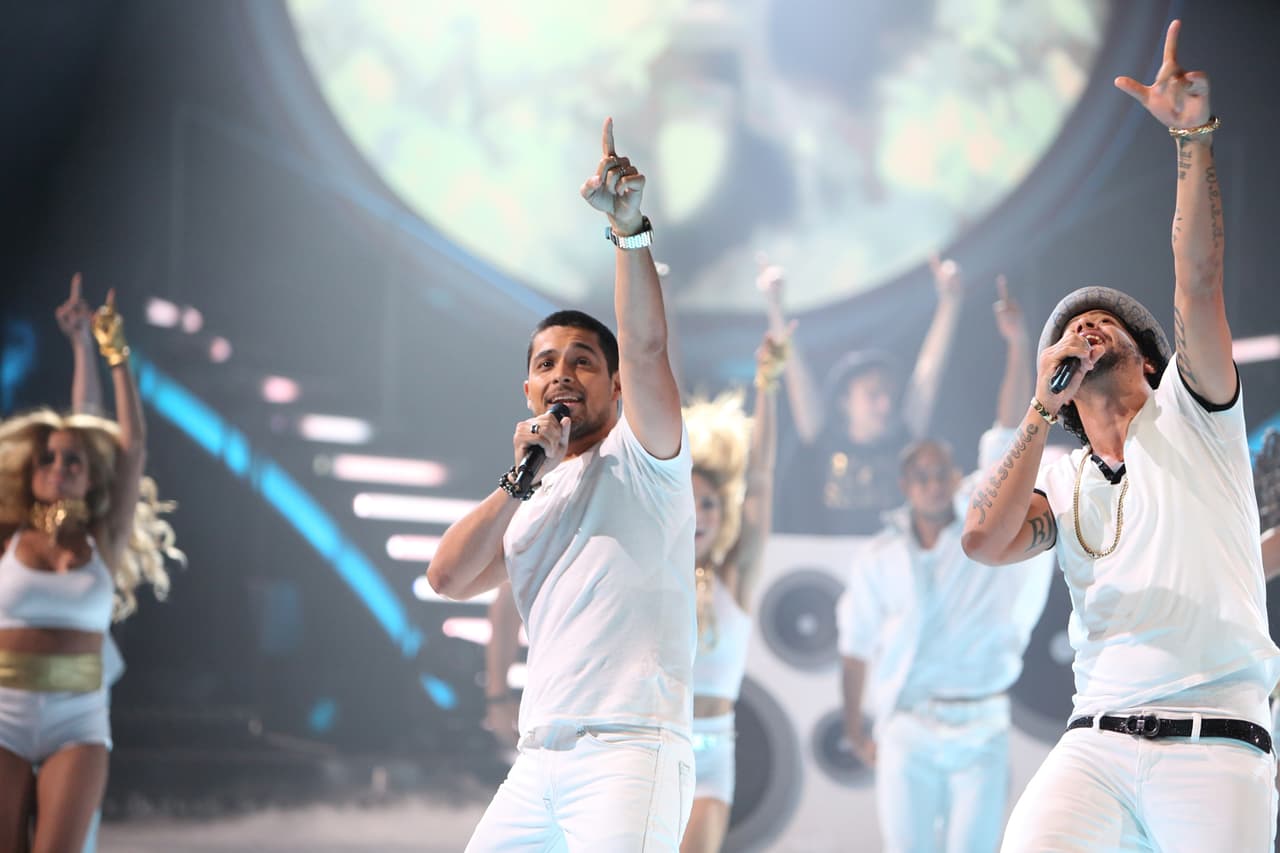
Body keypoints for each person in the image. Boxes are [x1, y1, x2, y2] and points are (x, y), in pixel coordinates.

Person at [962, 21, 1279, 850]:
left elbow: (1197, 279)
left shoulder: (1196, 411)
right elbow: (982, 540)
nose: (1085, 327)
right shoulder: (1060, 475)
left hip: (1215, 743)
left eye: (1105, 322)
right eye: (1069, 328)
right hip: (1094, 743)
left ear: (1148, 358)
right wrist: (1037, 408)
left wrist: (1190, 139)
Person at [428, 119, 696, 851]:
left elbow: (646, 345)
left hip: (631, 750)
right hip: (537, 758)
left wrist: (629, 230)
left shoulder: (648, 459)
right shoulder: (530, 487)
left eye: (582, 361)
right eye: (546, 363)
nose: (562, 375)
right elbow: (447, 576)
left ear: (612, 385)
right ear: (526, 387)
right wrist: (518, 479)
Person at [485, 328, 786, 853]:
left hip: (708, 750)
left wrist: (768, 384)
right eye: (694, 505)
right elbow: (661, 422)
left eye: (712, 506)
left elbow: (759, 476)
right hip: (628, 742)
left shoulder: (734, 578)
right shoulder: (641, 562)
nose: (701, 516)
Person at [837, 278, 1053, 852]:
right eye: (923, 476)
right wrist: (856, 726)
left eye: (942, 472)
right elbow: (855, 643)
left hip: (982, 724)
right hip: (908, 724)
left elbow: (1011, 432)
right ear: (906, 485)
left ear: (955, 474)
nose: (935, 483)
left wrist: (1016, 343)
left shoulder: (981, 519)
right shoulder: (881, 556)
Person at [0, 275, 181, 852]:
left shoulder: (104, 540)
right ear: (29, 471)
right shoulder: (7, 534)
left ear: (88, 472)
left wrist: (108, 351)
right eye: (47, 458)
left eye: (72, 459)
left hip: (76, 721)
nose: (59, 464)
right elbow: (78, 429)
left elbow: (127, 446)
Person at [762, 254, 963, 535]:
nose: (885, 403)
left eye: (889, 394)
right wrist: (774, 306)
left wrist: (950, 301)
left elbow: (929, 373)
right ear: (844, 402)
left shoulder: (903, 440)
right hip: (831, 569)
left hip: (891, 567)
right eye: (872, 394)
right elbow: (797, 376)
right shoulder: (820, 438)